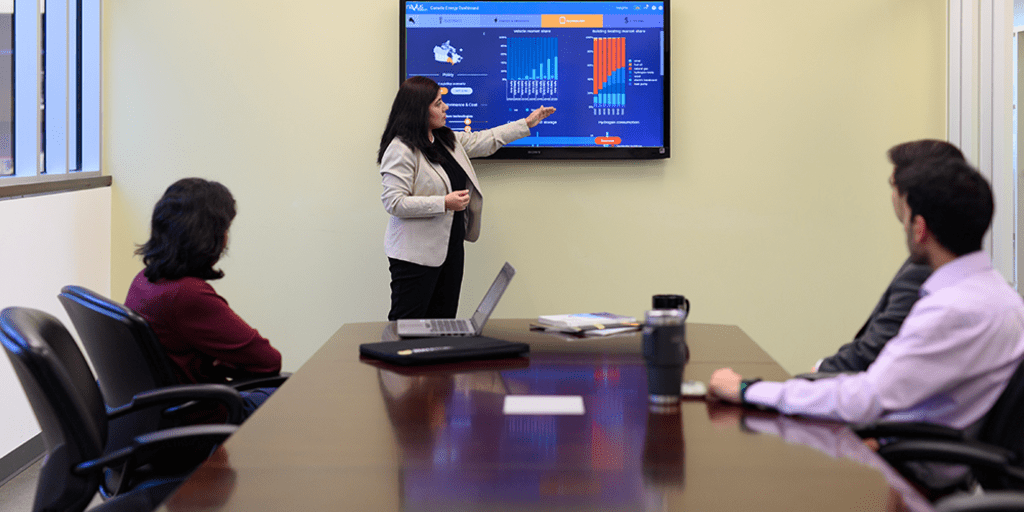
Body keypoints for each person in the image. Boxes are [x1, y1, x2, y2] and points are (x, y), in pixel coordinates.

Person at [709, 156, 1024, 429]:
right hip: (915, 445)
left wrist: (749, 390)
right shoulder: (1005, 299)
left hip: (906, 466)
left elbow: (864, 399)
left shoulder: (951, 310)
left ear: (919, 228)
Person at [378, 76, 555, 321]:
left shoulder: (445, 139)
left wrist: (526, 123)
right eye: (438, 103)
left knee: (443, 322)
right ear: (420, 110)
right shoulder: (401, 149)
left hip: (450, 248)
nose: (445, 108)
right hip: (415, 255)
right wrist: (443, 203)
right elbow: (394, 202)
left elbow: (486, 140)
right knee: (408, 325)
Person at [126, 178, 282, 418]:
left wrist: (219, 361)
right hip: (203, 415)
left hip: (159, 412)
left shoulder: (145, 280)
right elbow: (268, 361)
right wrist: (226, 362)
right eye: (226, 229)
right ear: (209, 236)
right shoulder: (188, 295)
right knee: (292, 394)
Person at [815, 140, 965, 373]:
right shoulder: (956, 258)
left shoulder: (926, 266)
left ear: (909, 197)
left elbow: (877, 351)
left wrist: (819, 371)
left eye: (893, 186)